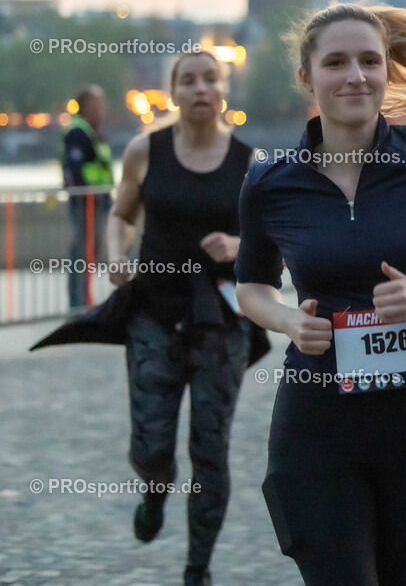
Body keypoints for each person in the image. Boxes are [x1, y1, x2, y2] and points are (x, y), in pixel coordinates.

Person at [234, 2, 406, 585]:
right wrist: (288, 320)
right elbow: (251, 288)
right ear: (307, 76)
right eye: (335, 62)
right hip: (315, 424)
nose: (355, 75)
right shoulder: (270, 181)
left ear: (388, 70)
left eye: (369, 60)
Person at [106, 51, 256, 586]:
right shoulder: (145, 151)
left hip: (220, 321)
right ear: (172, 91)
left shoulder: (249, 162)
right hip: (153, 314)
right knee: (151, 444)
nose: (199, 87)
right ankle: (153, 487)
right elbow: (121, 214)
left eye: (209, 78)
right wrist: (116, 253)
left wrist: (239, 243)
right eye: (187, 79)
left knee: (210, 450)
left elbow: (275, 240)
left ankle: (198, 568)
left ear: (223, 88)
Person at [61, 85, 113, 308]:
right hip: (86, 203)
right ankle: (79, 303)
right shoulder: (77, 132)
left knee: (90, 252)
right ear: (86, 107)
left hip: (97, 202)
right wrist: (87, 194)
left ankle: (84, 300)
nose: (102, 110)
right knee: (82, 252)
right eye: (97, 105)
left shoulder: (92, 133)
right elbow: (75, 170)